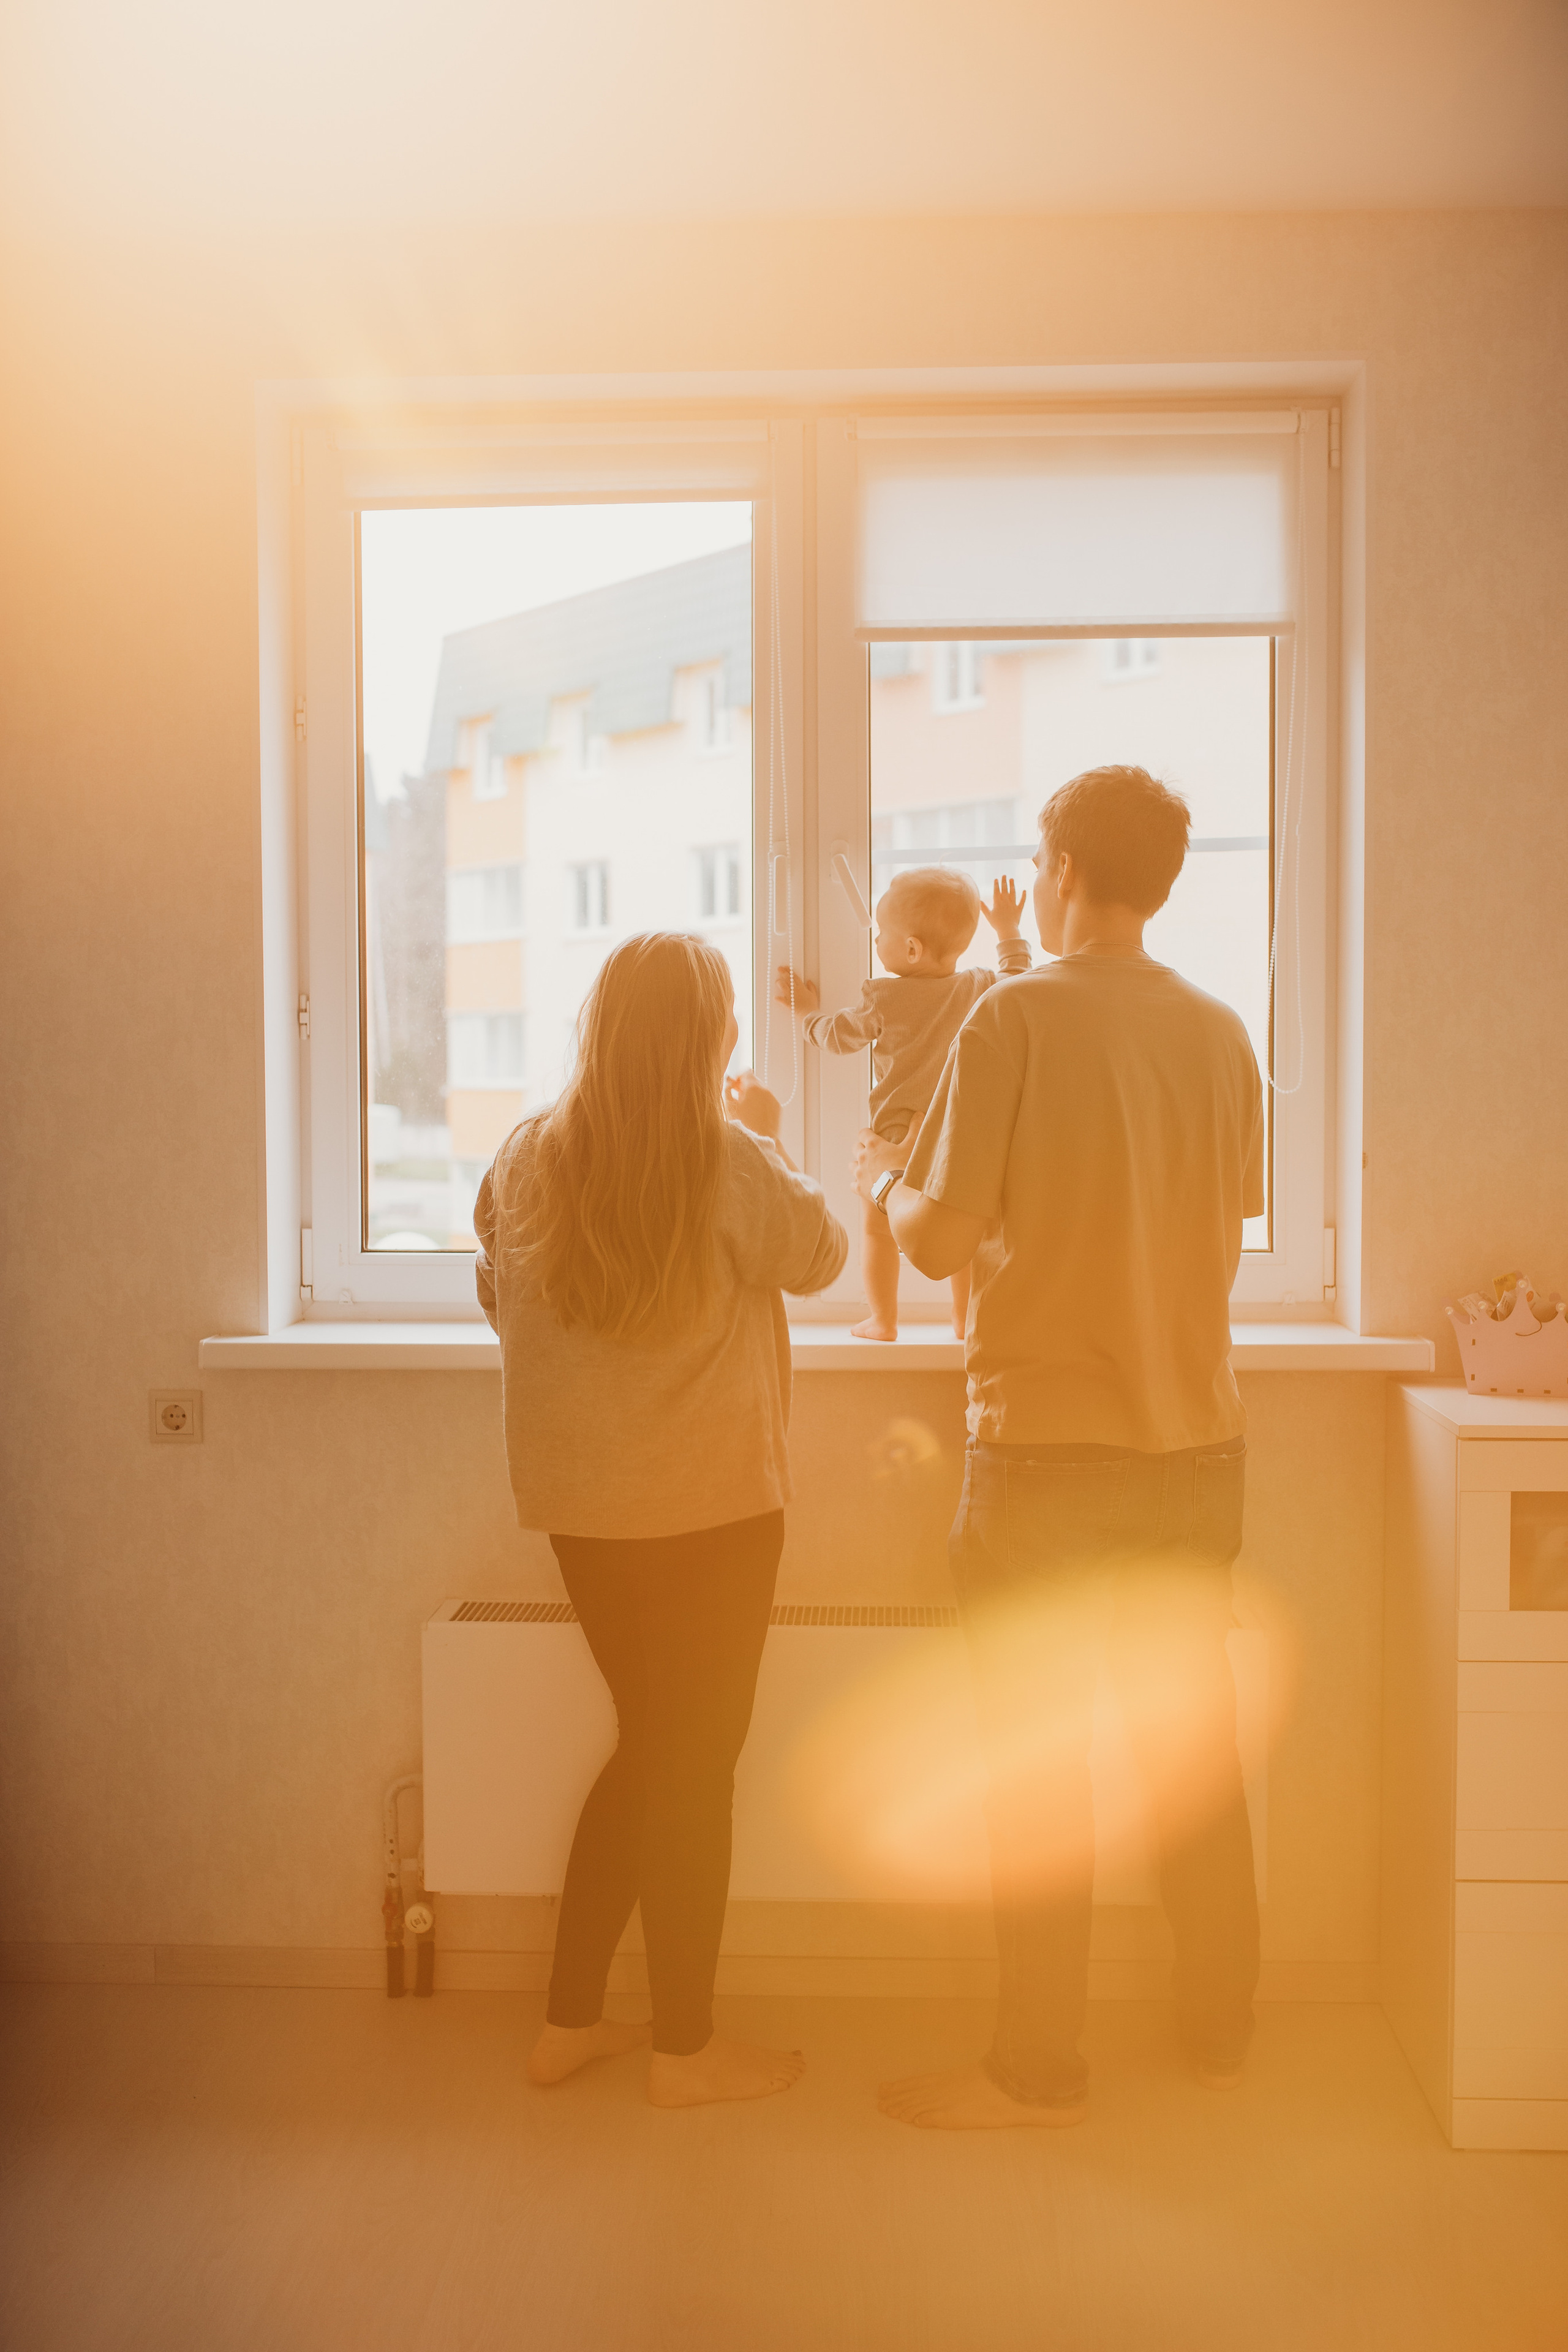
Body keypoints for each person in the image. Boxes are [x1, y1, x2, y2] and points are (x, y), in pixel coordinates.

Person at [853, 765, 1265, 2130]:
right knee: (1187, 1768)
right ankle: (1219, 2034)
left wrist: (887, 1182)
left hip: (1042, 1456)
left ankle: (1034, 2065)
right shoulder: (1218, 1034)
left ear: (1062, 870)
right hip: (1196, 1454)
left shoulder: (1009, 1018)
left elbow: (941, 1237)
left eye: (1035, 867)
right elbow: (1216, 1209)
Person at [474, 932, 847, 2108]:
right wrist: (776, 1137)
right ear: (714, 1041)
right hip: (715, 1512)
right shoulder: (728, 1159)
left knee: (652, 1752)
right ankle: (685, 2049)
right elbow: (826, 1256)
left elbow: (497, 1290)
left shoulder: (526, 1156)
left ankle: (569, 2023)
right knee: (691, 1770)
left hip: (584, 1513)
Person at [776, 868, 1030, 1342]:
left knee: (879, 1232)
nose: (876, 940)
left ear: (911, 949)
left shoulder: (884, 998)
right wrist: (1009, 933)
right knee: (961, 1237)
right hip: (957, 1136)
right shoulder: (979, 986)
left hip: (895, 1140)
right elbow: (1019, 980)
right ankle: (962, 1320)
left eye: (881, 933)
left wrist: (807, 1013)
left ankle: (884, 1321)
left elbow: (837, 1036)